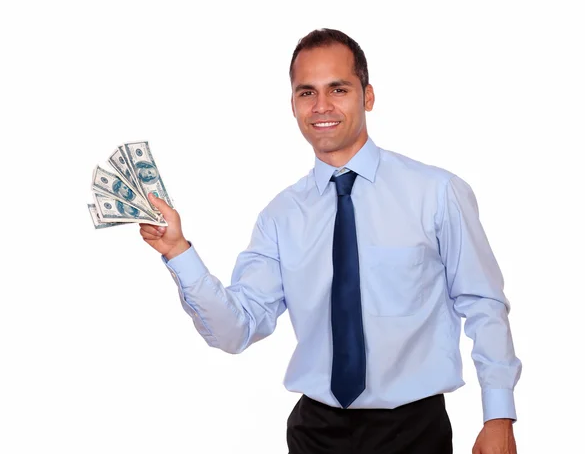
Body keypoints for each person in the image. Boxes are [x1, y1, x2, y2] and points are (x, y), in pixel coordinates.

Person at [139, 28, 522, 454]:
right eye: (307, 93)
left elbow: (483, 302)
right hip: (314, 433)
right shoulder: (280, 216)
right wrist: (178, 251)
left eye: (338, 89)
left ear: (368, 96)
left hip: (413, 431)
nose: (321, 106)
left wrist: (498, 415)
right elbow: (236, 330)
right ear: (293, 105)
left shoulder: (436, 193)